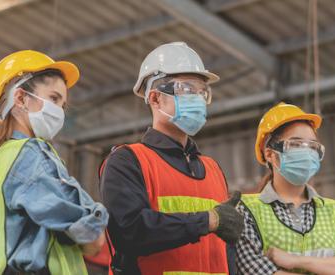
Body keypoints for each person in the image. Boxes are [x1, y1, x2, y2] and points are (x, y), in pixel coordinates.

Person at [100, 42, 244, 275]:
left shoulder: (212, 168)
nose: (197, 98)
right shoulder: (128, 160)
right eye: (186, 89)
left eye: (201, 91)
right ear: (155, 99)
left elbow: (226, 254)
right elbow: (130, 232)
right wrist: (208, 221)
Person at [0, 50, 109, 275]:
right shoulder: (28, 154)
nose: (59, 111)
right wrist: (93, 223)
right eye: (54, 98)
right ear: (20, 98)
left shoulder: (6, 156)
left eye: (62, 105)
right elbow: (91, 234)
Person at [235, 102, 335, 275]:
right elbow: (253, 270)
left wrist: (296, 261)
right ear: (270, 154)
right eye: (296, 144)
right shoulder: (246, 211)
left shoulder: (334, 211)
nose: (307, 153)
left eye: (312, 146)